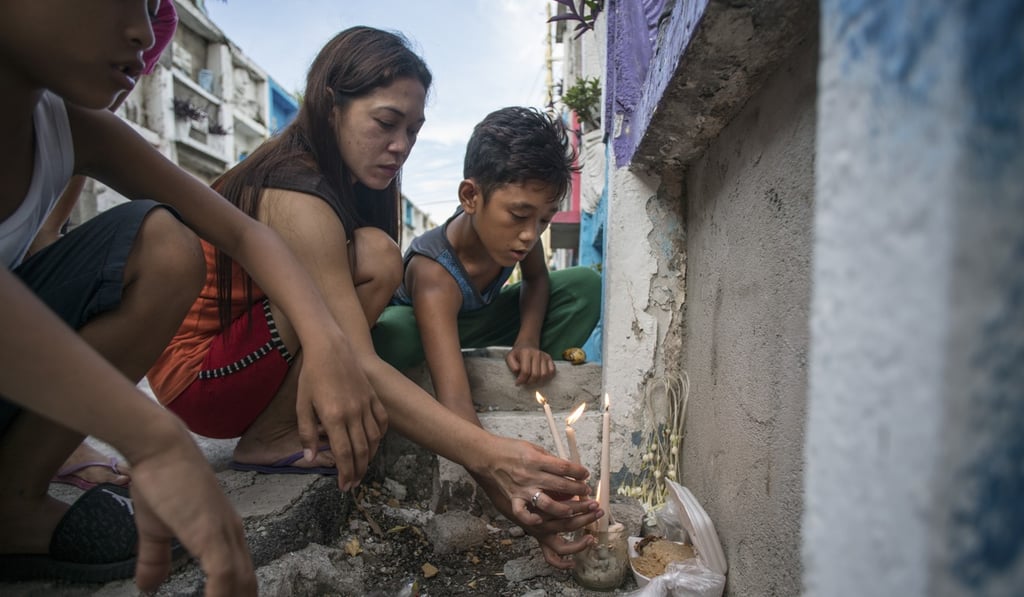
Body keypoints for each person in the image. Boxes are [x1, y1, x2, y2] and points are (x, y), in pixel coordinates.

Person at [145, 26, 602, 567]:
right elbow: (354, 361)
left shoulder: (369, 186)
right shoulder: (295, 191)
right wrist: (498, 463)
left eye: (413, 130)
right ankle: (271, 435)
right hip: (201, 378)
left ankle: (280, 423)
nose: (401, 146)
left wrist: (510, 491)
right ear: (330, 106)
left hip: (255, 358)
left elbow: (352, 352)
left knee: (375, 254)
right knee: (378, 259)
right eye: (387, 123)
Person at [0, 0, 388, 591]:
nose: (144, 33)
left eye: (154, 7)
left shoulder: (72, 128)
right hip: (186, 383)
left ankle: (14, 497)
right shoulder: (294, 181)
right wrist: (148, 436)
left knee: (162, 241)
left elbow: (239, 232)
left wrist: (326, 337)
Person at [371, 106, 601, 426]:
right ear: (470, 197)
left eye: (544, 219)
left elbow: (536, 280)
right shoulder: (433, 271)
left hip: (477, 325)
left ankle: (527, 366)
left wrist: (528, 341)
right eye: (519, 215)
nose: (530, 234)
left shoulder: (520, 234)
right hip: (421, 331)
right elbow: (456, 404)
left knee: (584, 287)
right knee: (396, 332)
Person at [36, 0, 179, 493]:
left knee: (164, 241)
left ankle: (39, 454)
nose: (142, 33)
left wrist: (47, 232)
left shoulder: (155, 22)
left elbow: (88, 126)